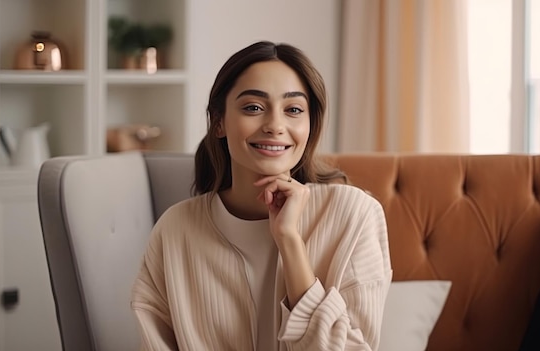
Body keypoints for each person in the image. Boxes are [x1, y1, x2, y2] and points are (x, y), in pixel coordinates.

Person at [131, 40, 392, 351]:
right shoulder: (175, 230)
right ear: (219, 122)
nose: (275, 125)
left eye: (293, 109)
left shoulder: (354, 215)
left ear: (311, 125)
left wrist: (290, 241)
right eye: (253, 107)